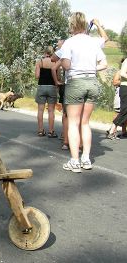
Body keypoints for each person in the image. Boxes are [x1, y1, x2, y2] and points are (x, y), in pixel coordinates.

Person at [60, 12, 107, 173]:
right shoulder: (93, 42)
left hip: (76, 82)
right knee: (85, 123)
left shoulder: (69, 42)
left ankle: (74, 161)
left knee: (73, 123)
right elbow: (104, 64)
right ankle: (86, 159)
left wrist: (73, 66)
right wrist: (90, 67)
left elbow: (65, 65)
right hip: (92, 82)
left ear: (72, 25)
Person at [35, 46, 57, 138]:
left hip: (42, 87)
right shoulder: (55, 62)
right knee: (51, 110)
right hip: (52, 87)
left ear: (45, 52)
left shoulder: (40, 61)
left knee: (40, 110)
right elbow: (58, 76)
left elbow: (37, 76)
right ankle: (51, 131)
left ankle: (40, 130)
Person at [51, 40, 69, 149]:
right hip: (77, 83)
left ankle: (65, 137)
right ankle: (75, 142)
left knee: (66, 113)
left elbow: (53, 61)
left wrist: (57, 81)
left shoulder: (65, 52)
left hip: (67, 84)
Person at [107, 57, 127, 139]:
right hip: (125, 88)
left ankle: (114, 130)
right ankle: (112, 130)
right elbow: (122, 73)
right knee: (124, 110)